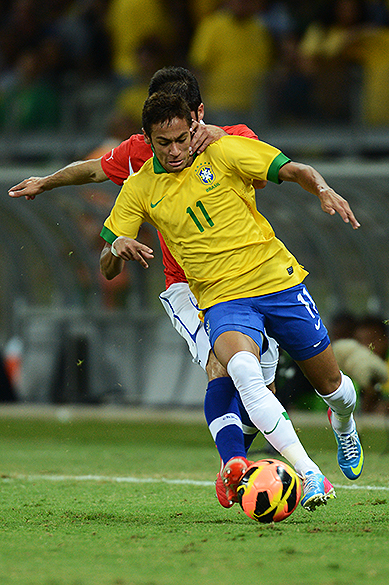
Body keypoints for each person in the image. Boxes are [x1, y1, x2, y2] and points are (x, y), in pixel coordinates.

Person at [9, 66, 279, 509]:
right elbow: (93, 171)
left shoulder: (233, 138)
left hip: (246, 278)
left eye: (180, 125)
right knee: (221, 364)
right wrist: (47, 181)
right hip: (187, 287)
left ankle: (246, 457)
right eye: (159, 130)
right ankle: (249, 466)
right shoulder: (141, 151)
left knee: (260, 388)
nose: (171, 142)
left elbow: (268, 173)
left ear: (196, 115)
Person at [100, 91, 364, 511]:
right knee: (241, 368)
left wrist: (323, 189)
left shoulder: (222, 150)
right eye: (163, 143)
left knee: (333, 387)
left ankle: (345, 422)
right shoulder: (138, 188)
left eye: (182, 139)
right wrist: (118, 249)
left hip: (277, 281)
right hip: (223, 299)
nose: (174, 150)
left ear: (193, 128)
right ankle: (310, 471)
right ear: (147, 140)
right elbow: (106, 265)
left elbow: (294, 168)